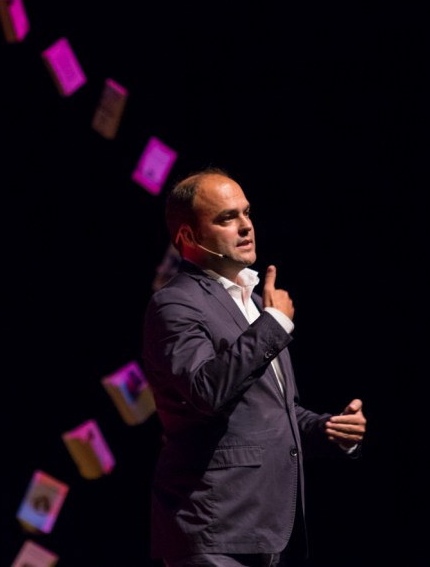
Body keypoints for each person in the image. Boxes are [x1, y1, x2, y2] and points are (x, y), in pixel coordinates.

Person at [142, 167, 367, 567]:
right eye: (227, 218)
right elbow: (205, 391)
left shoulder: (251, 304)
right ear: (188, 237)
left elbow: (272, 413)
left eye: (246, 213)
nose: (246, 226)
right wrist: (275, 323)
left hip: (265, 531)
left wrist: (330, 430)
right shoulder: (174, 304)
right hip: (214, 532)